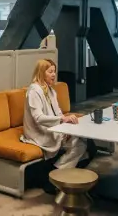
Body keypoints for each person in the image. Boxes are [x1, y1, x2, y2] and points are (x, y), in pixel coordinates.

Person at [21, 59, 94, 193]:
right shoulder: (34, 91)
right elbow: (39, 118)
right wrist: (62, 120)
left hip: (53, 128)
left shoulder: (50, 90)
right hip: (39, 133)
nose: (54, 75)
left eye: (54, 71)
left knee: (82, 142)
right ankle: (55, 176)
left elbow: (58, 111)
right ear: (41, 73)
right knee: (79, 145)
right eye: (50, 72)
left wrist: (65, 126)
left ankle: (59, 173)